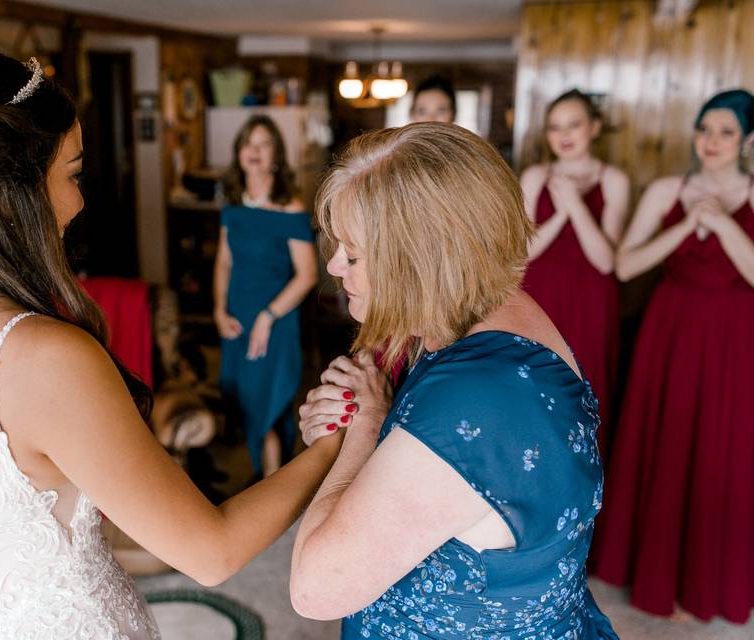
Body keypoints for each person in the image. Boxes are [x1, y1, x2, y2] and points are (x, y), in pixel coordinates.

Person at [0, 48, 342, 640]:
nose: (79, 201)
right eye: (72, 174)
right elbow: (212, 551)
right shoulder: (41, 358)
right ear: (9, 189)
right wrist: (330, 447)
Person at [289, 123, 618, 639]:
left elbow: (315, 589)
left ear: (419, 263)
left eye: (352, 254)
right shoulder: (493, 310)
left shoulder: (481, 398)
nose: (333, 265)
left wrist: (363, 429)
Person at [589, 88, 754, 624]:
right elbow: (624, 264)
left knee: (723, 451)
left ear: (748, 140)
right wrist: (687, 224)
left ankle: (708, 582)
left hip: (736, 337)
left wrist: (725, 224)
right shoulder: (668, 188)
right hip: (672, 330)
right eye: (704, 129)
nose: (711, 141)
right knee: (669, 440)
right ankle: (653, 574)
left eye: (725, 132)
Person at [519, 89, 630, 456]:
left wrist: (575, 205)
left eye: (574, 125)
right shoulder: (535, 176)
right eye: (554, 127)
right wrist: (563, 213)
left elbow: (605, 261)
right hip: (541, 297)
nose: (564, 135)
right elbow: (523, 251)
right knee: (536, 390)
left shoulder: (614, 180)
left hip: (592, 301)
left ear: (594, 127)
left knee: (588, 390)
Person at [214, 115, 319, 478]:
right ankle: (267, 478)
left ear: (276, 155)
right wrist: (217, 309)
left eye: (263, 144)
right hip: (237, 315)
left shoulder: (291, 207)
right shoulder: (232, 206)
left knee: (269, 401)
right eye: (247, 144)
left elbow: (307, 276)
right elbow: (224, 263)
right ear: (239, 154)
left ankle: (270, 485)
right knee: (244, 399)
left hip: (276, 317)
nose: (254, 151)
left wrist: (267, 316)